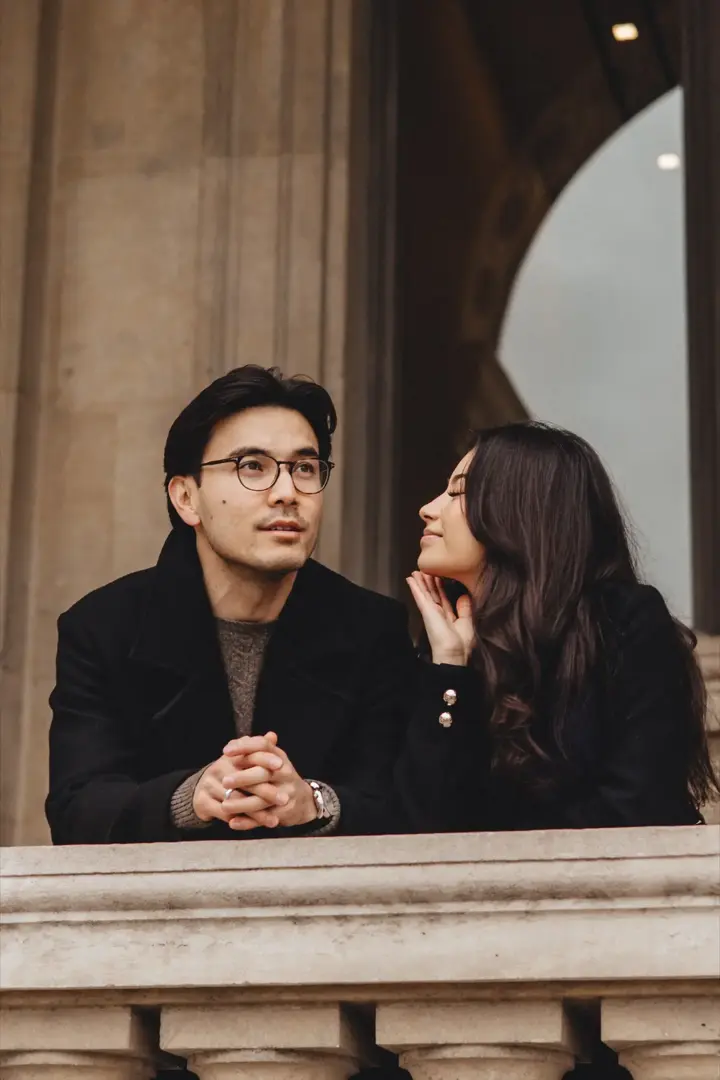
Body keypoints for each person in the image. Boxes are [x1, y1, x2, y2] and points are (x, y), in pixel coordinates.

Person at [46, 365, 415, 845]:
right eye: (252, 466)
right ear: (186, 498)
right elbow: (77, 810)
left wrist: (313, 803)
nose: (287, 493)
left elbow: (405, 809)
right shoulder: (104, 629)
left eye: (305, 468)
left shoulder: (372, 629)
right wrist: (192, 797)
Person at [397, 421, 718, 832]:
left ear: (519, 511)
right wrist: (450, 669)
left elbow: (637, 805)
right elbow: (420, 823)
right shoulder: (449, 637)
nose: (428, 508)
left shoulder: (622, 622)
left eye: (457, 492)